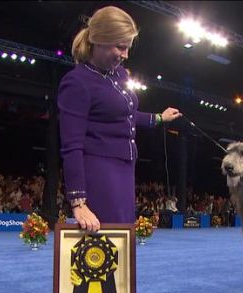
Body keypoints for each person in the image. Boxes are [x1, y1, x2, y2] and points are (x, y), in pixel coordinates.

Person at [58, 6, 182, 232]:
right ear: (99, 40)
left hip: (125, 169)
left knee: (123, 240)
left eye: (128, 48)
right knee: (105, 245)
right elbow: (71, 146)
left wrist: (159, 119)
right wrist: (78, 202)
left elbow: (126, 115)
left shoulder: (119, 75)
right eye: (120, 47)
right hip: (100, 171)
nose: (125, 55)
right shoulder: (77, 82)